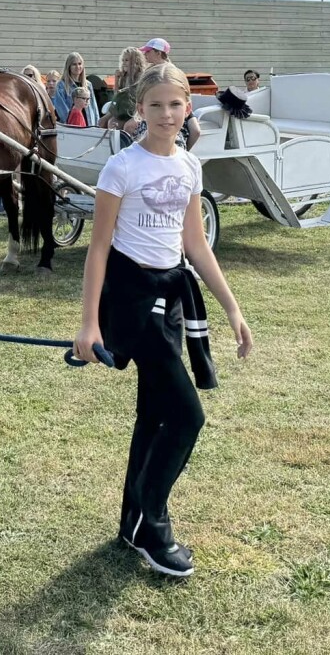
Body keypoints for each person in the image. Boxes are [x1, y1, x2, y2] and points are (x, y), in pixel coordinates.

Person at [72, 63, 253, 577]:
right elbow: (98, 249)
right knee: (187, 417)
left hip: (171, 298)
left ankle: (132, 523)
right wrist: (89, 324)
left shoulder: (189, 167)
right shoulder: (122, 168)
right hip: (129, 300)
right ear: (140, 110)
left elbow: (194, 243)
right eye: (156, 106)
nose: (167, 114)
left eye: (175, 105)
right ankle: (153, 525)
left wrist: (231, 308)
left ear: (187, 108)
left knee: (154, 415)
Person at [140, 39, 201, 150]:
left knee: (196, 131)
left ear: (158, 53)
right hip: (157, 108)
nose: (145, 54)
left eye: (148, 51)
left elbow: (185, 94)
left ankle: (185, 152)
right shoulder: (149, 72)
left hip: (178, 107)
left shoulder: (173, 72)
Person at [107, 47, 147, 135]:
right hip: (124, 110)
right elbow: (116, 96)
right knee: (110, 123)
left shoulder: (141, 76)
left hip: (137, 110)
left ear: (136, 61)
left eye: (127, 60)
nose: (124, 63)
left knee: (128, 127)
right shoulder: (124, 77)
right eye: (123, 60)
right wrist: (117, 80)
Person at [52, 52, 98, 126]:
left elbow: (94, 108)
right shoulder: (61, 85)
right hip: (72, 126)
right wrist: (71, 125)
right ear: (69, 66)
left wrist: (96, 126)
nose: (77, 67)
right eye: (74, 64)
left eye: (79, 64)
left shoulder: (88, 85)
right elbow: (62, 110)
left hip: (89, 126)